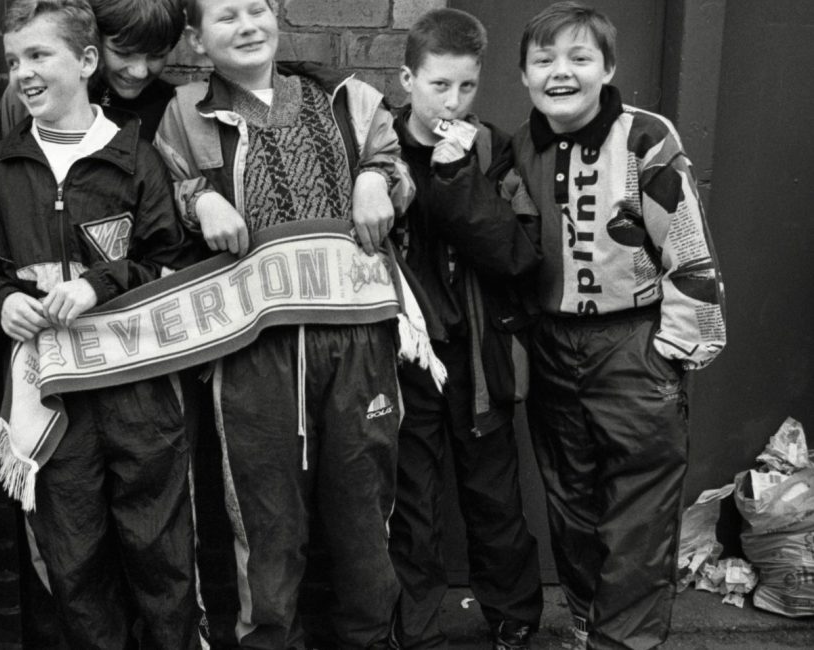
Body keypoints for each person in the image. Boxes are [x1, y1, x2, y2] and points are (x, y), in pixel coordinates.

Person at [155, 0, 418, 647]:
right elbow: (163, 190)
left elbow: (397, 169)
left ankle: (371, 638)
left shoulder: (349, 98)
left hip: (358, 340)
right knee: (267, 528)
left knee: (364, 518)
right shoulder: (185, 114)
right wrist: (200, 197)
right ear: (196, 37)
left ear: (276, 18)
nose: (245, 25)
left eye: (256, 8)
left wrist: (379, 180)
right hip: (255, 351)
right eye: (225, 16)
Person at [0, 1, 201, 647]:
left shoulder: (136, 158)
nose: (23, 74)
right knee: (72, 564)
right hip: (52, 398)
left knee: (162, 557)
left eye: (39, 56)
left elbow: (170, 263)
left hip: (140, 393)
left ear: (88, 60)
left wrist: (100, 283)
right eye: (14, 62)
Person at [512, 3, 726, 648]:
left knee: (639, 503)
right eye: (544, 60)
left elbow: (686, 241)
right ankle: (586, 620)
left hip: (633, 339)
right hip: (552, 342)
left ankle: (623, 641)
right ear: (523, 74)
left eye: (580, 59)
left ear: (608, 69)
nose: (561, 73)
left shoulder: (644, 137)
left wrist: (673, 347)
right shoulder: (520, 147)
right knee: (570, 497)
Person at [384, 8, 544, 650]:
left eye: (467, 87)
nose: (453, 101)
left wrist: (456, 177)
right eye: (439, 85)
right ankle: (414, 630)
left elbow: (516, 253)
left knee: (493, 496)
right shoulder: (379, 150)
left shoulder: (490, 148)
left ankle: (514, 618)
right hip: (405, 359)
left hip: (480, 355)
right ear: (407, 80)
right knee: (411, 504)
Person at [0, 0, 186, 140]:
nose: (140, 71)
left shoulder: (174, 111)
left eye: (156, 56)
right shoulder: (30, 96)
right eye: (123, 53)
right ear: (92, 41)